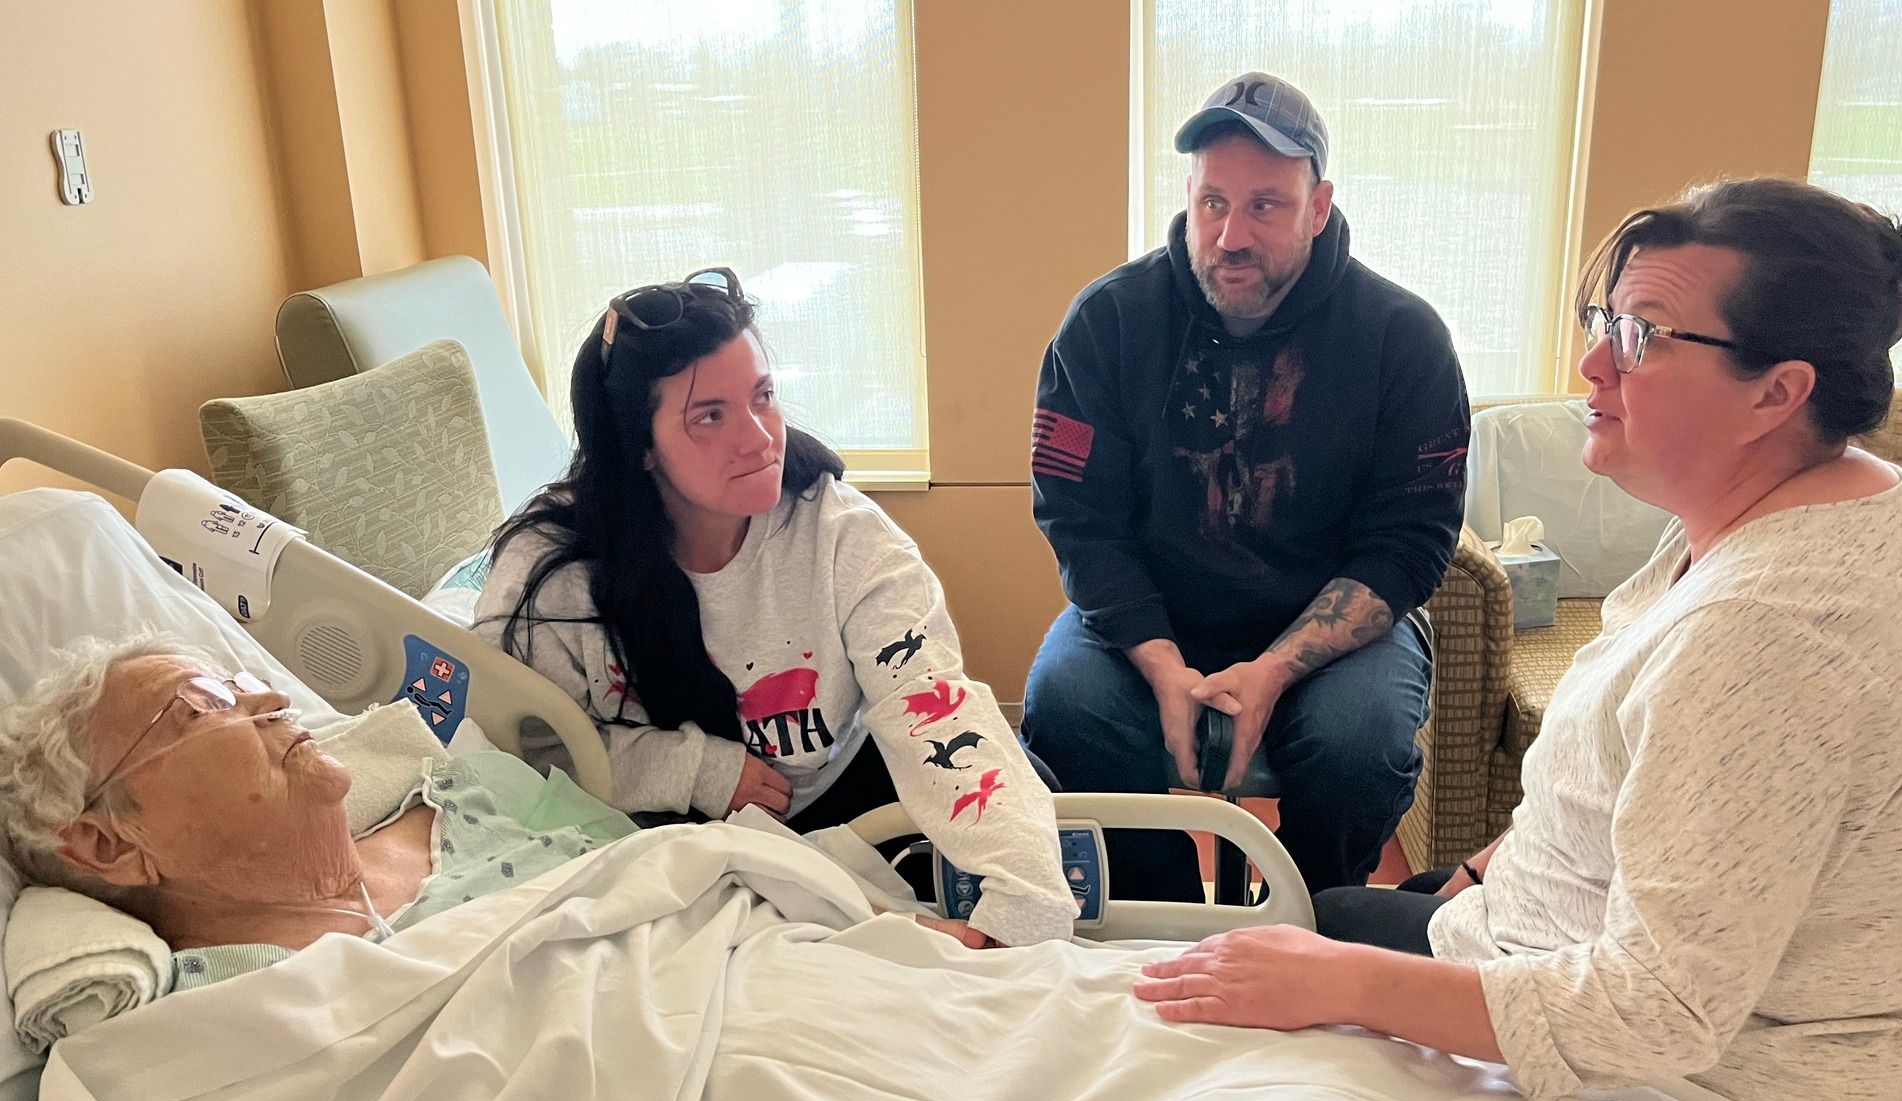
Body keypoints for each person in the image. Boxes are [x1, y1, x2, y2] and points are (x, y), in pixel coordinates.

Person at [1131, 178, 1902, 1101]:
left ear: (1778, 391)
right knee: (1320, 924)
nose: (1592, 363)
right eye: (1605, 319)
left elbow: (1659, 1013)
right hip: (1552, 945)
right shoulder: (1794, 506)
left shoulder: (1777, 638)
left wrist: (1345, 985)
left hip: (1749, 1093)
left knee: (1255, 1011)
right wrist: (1470, 878)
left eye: (1641, 335)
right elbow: (1625, 790)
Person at [472, 269, 1075, 948]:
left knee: (1031, 803)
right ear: (638, 446)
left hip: (834, 786)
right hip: (661, 828)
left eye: (763, 397)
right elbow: (520, 754)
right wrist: (697, 770)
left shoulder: (841, 536)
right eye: (710, 416)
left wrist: (1024, 906)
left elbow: (930, 698)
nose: (759, 438)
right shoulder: (553, 576)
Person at [1022, 72, 1469, 900]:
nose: (1230, 235)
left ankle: (1313, 922)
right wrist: (1157, 659)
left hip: (1330, 630)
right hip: (1152, 613)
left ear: (1319, 203)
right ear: (1188, 196)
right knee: (1066, 702)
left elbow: (1412, 540)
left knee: (1358, 741)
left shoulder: (1403, 339)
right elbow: (1079, 519)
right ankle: (1153, 914)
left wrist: (1274, 669)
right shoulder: (1107, 322)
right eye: (1213, 203)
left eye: (1265, 205)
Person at [0, 638, 1016, 976]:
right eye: (203, 705)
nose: (265, 696)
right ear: (103, 839)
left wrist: (885, 932)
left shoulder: (476, 793)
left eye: (238, 676)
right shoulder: (208, 1010)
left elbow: (698, 897)